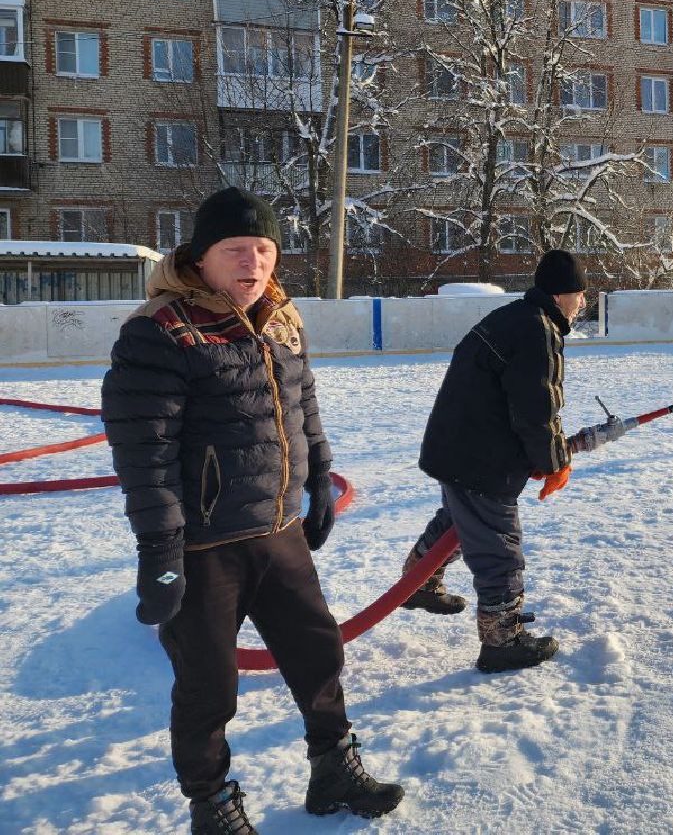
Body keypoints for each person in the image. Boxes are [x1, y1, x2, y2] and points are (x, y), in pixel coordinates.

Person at [101, 187, 405, 834]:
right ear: (201, 257)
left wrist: (319, 476)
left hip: (278, 530)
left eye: (264, 248)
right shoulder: (159, 332)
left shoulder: (279, 317)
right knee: (210, 687)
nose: (254, 262)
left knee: (318, 654)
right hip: (204, 547)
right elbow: (143, 454)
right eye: (237, 249)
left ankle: (333, 769)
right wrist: (159, 551)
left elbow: (305, 406)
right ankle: (211, 805)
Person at [400, 249, 621, 672]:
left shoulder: (515, 318)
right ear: (562, 295)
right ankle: (502, 640)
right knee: (499, 547)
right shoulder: (538, 332)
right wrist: (556, 463)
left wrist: (546, 456)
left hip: (458, 447)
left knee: (459, 522)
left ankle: (419, 583)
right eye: (579, 295)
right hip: (480, 458)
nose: (581, 304)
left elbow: (524, 406)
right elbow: (538, 412)